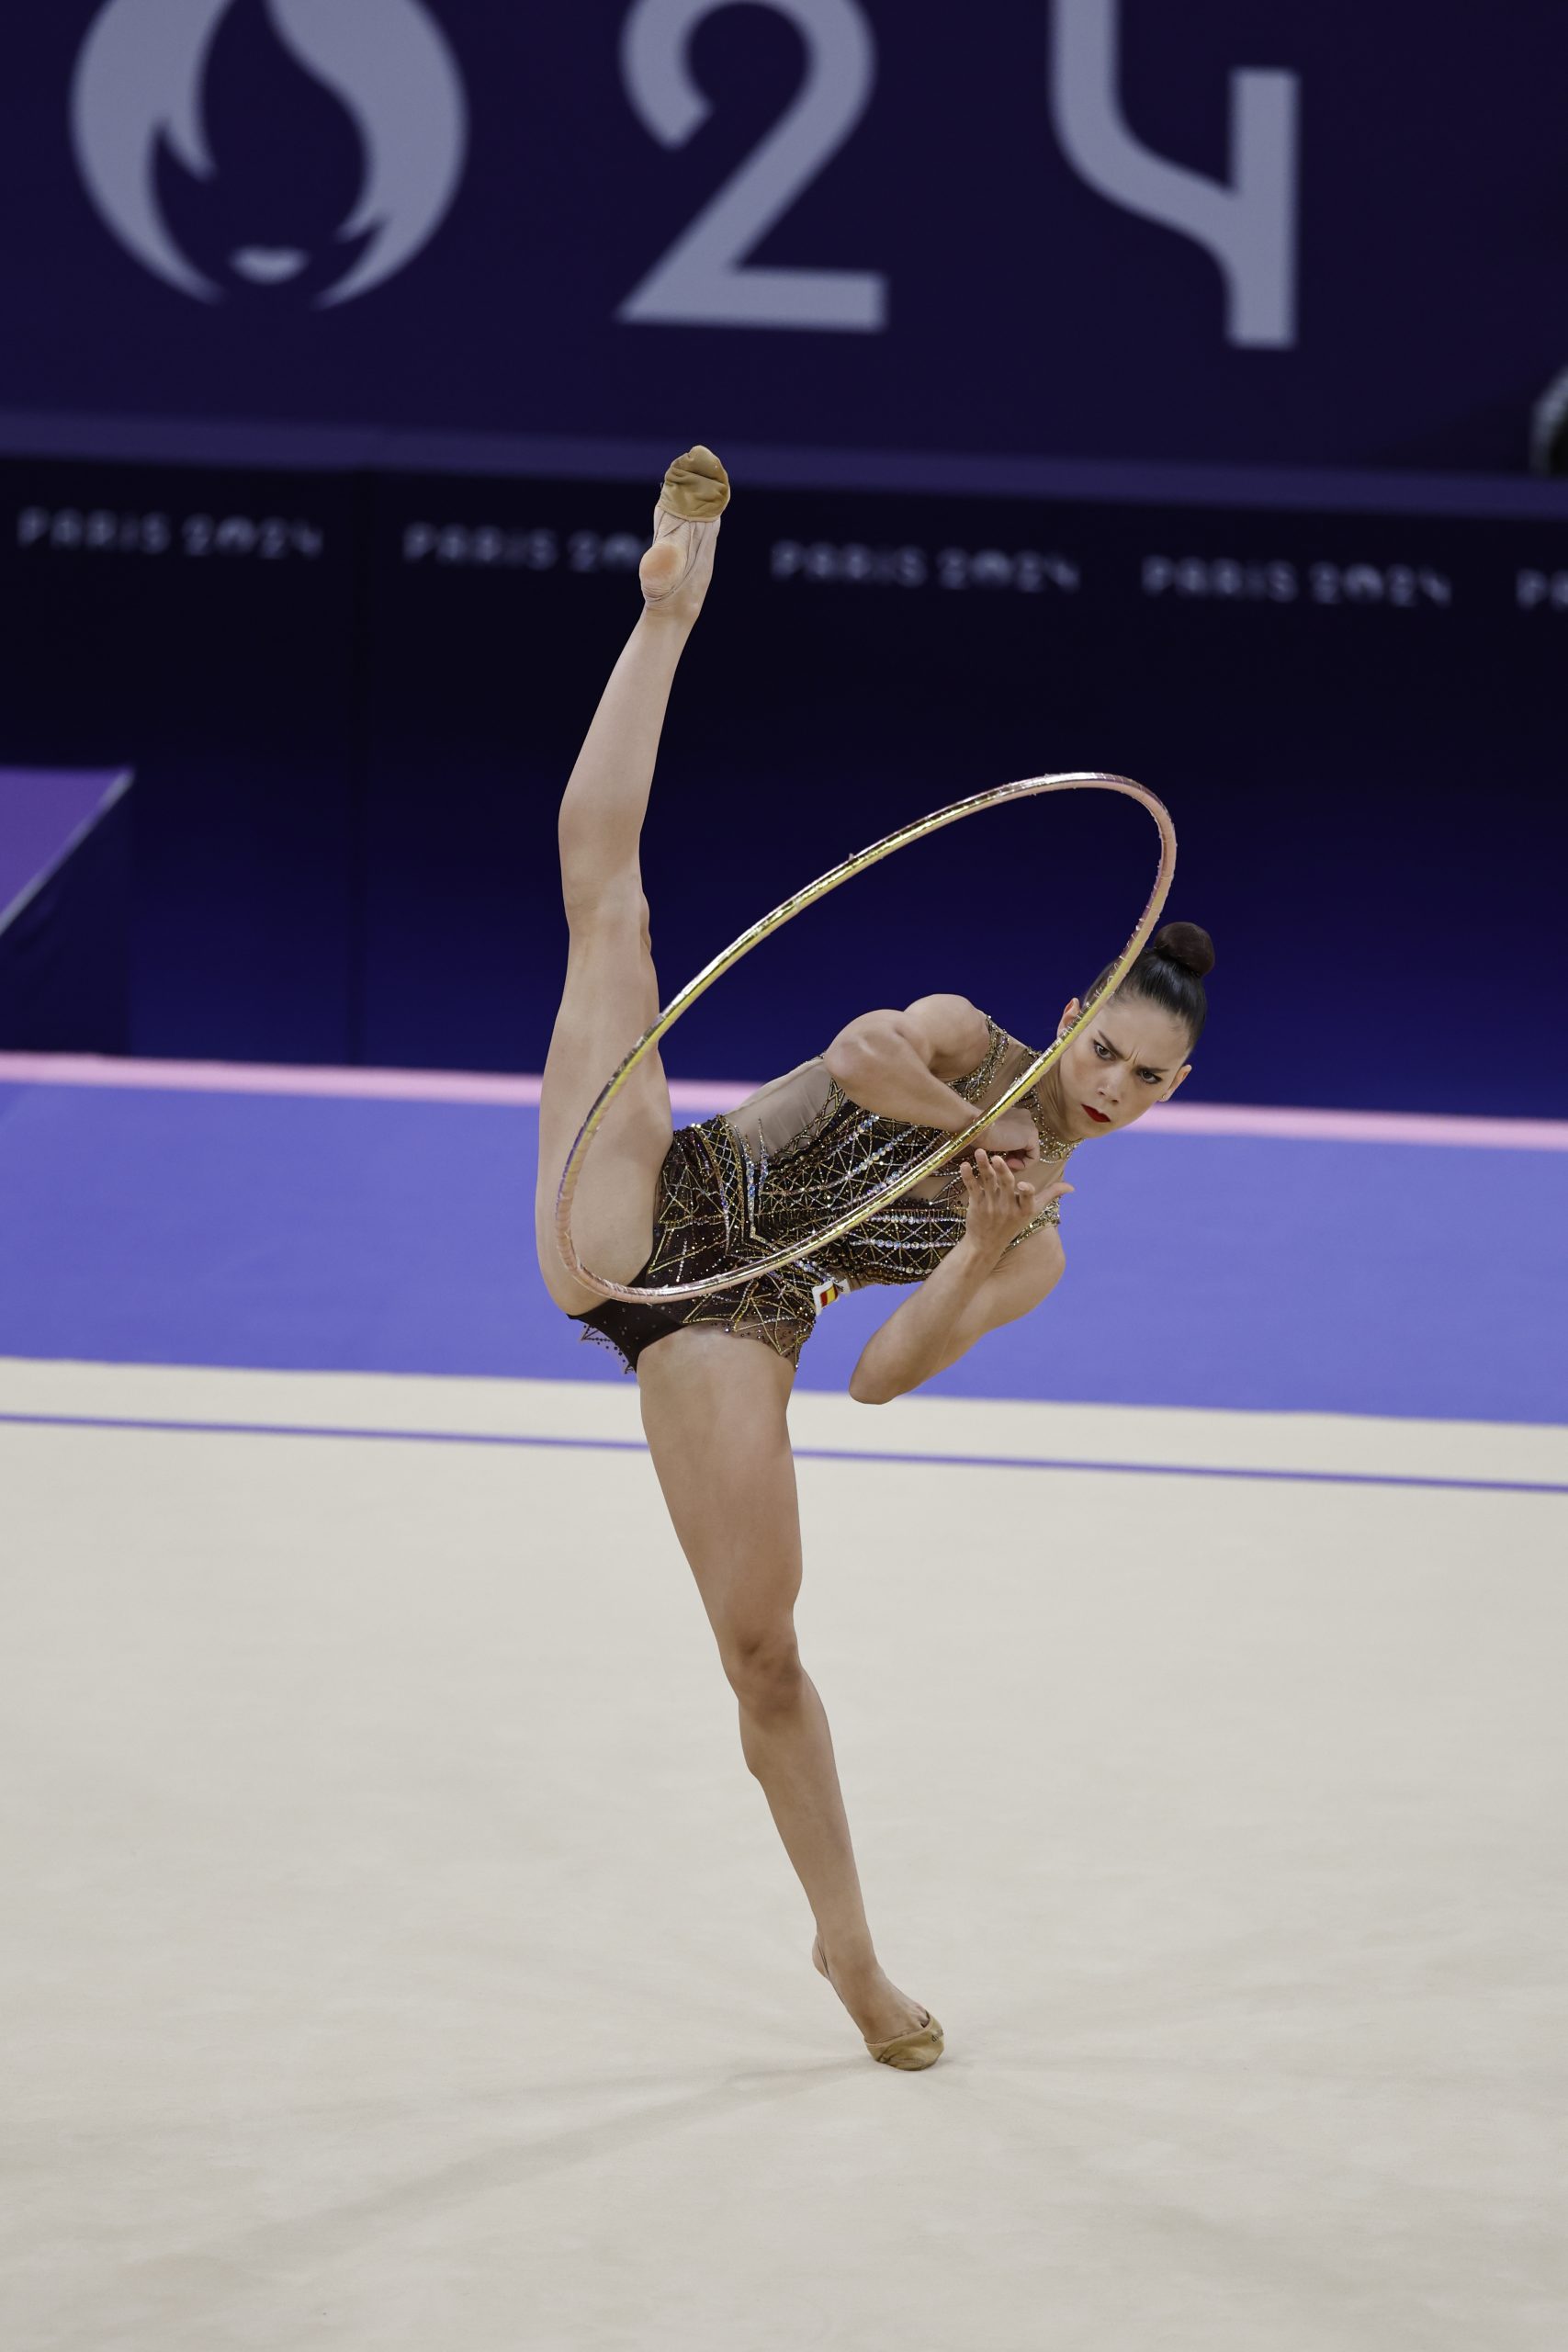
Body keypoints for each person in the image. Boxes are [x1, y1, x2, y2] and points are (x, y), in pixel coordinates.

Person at [534, 448, 1213, 2070]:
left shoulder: (1037, 1245)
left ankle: (846, 1948)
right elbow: (855, 1050)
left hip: (737, 1322)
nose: (1113, 1087)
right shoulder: (971, 1038)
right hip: (661, 1197)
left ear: (1173, 1095)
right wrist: (971, 1130)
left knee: (764, 1656)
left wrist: (979, 1247)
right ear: (1073, 1017)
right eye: (1106, 1050)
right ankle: (668, 609)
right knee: (610, 915)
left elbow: (880, 1379)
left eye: (1147, 1079)